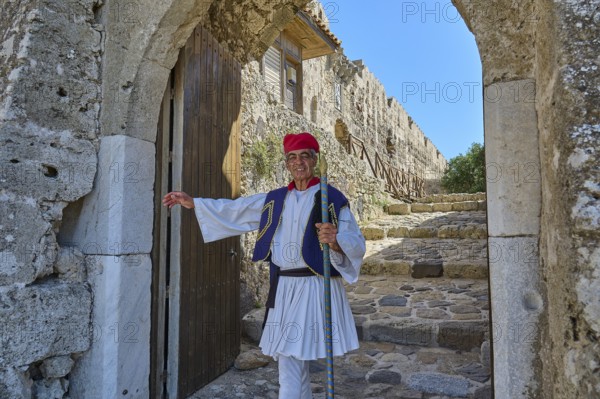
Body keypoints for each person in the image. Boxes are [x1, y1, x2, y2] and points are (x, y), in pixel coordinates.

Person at [163, 132, 366, 399]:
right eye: (292, 157)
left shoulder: (332, 198)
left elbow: (356, 241)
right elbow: (237, 209)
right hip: (283, 288)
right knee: (288, 357)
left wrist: (336, 240)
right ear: (286, 163)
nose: (298, 162)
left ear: (314, 160)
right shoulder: (275, 198)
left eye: (304, 156)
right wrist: (195, 203)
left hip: (314, 285)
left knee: (292, 355)